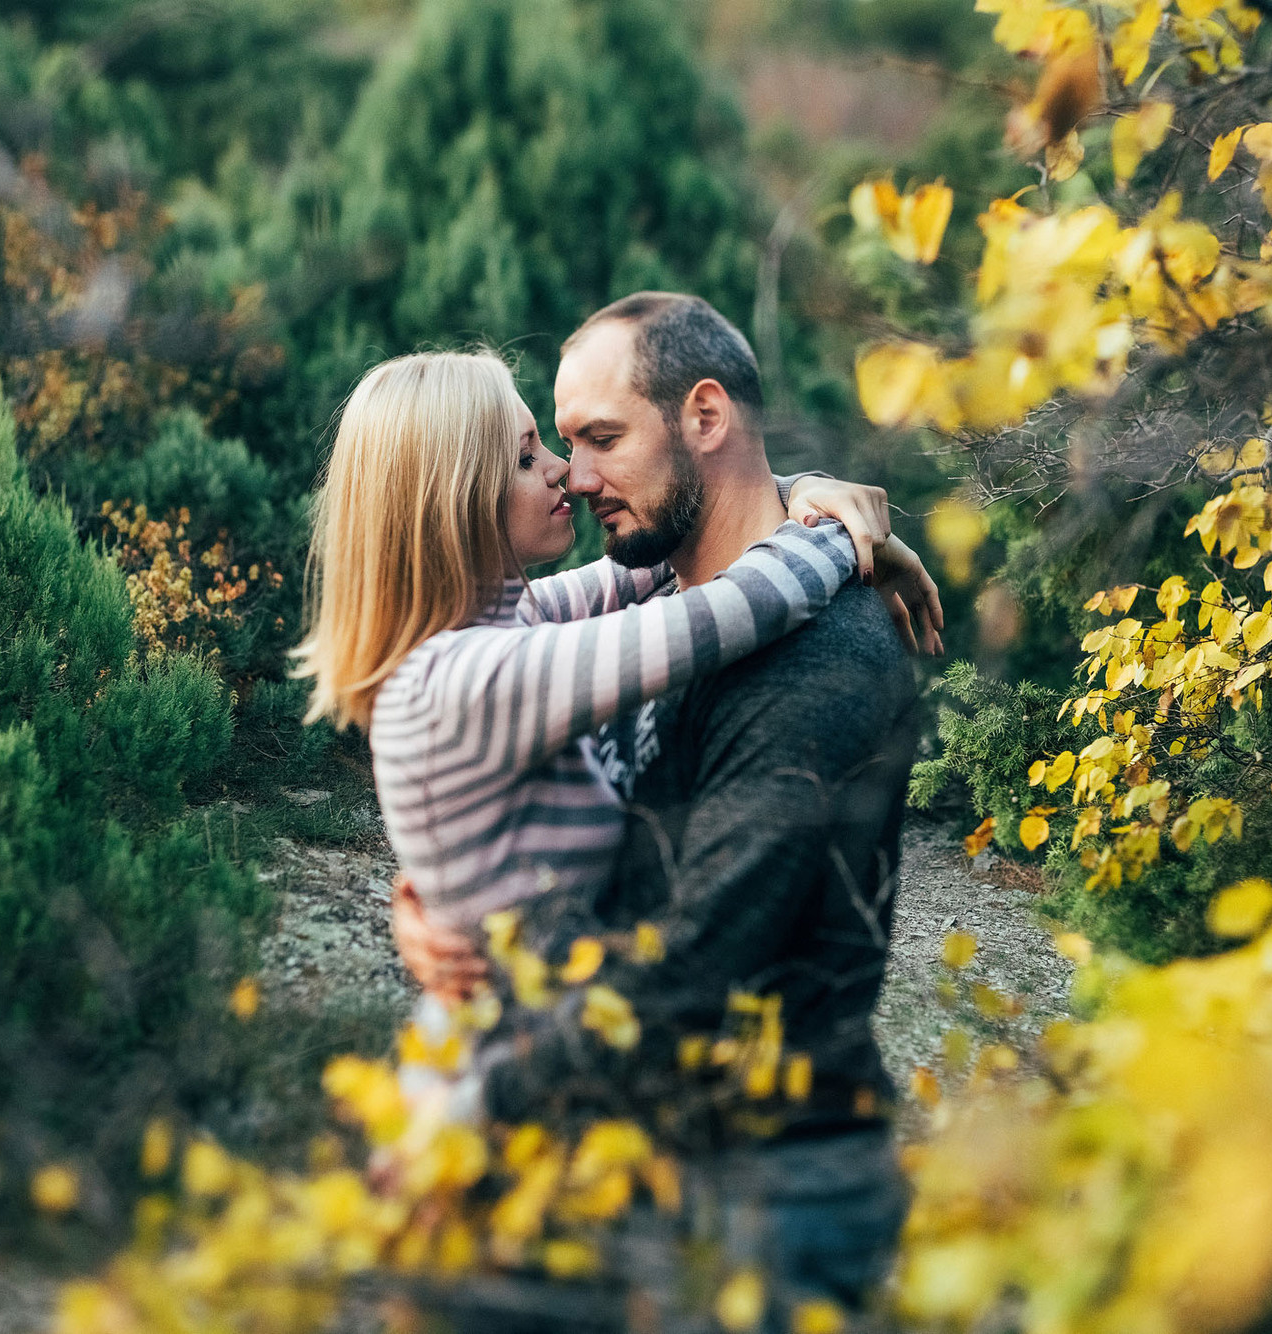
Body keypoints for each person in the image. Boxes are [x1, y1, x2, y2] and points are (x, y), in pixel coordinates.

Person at [394, 294, 930, 1326]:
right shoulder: (653, 600)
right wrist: (446, 898)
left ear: (704, 416)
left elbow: (694, 967)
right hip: (623, 1145)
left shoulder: (816, 662)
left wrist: (468, 1110)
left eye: (601, 438)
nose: (577, 475)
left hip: (762, 1187)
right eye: (559, 446)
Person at [293, 348, 938, 1122]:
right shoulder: (472, 678)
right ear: (457, 501)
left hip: (551, 1052)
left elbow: (673, 547)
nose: (565, 471)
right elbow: (729, 611)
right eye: (528, 458)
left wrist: (801, 492)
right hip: (508, 1092)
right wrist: (848, 536)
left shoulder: (508, 618)